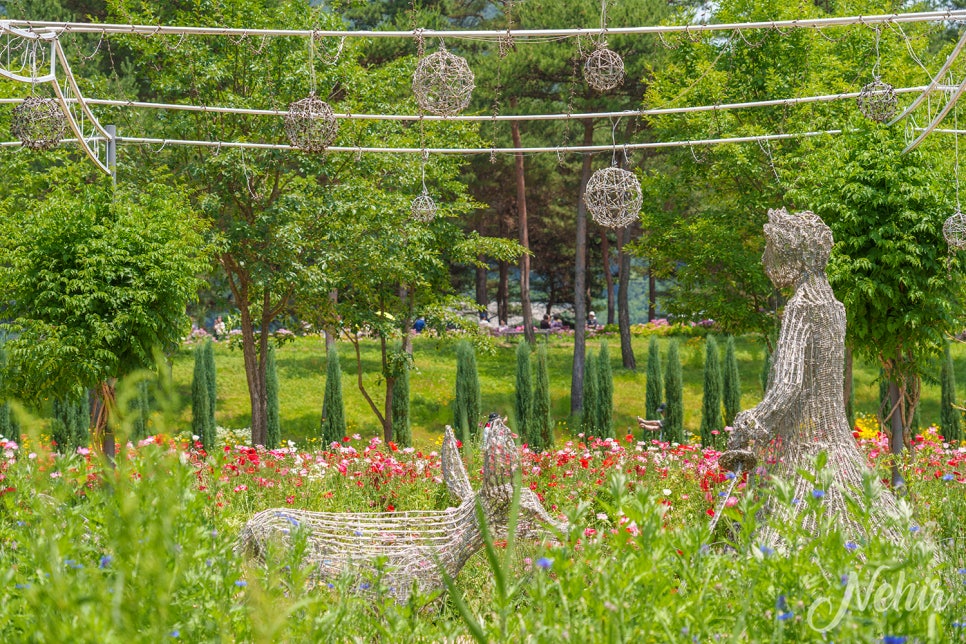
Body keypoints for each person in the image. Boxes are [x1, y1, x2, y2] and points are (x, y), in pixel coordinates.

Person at [719, 208, 900, 545]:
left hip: (804, 445)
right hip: (834, 438)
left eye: (770, 248)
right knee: (852, 519)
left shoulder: (801, 306)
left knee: (788, 531)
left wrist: (751, 423)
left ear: (793, 253)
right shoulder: (835, 306)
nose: (764, 257)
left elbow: (788, 385)